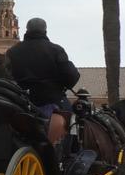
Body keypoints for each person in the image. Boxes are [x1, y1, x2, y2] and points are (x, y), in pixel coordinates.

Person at [5, 17, 80, 146]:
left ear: (27, 30)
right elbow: (72, 76)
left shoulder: (12, 52)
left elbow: (6, 77)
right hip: (52, 100)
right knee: (73, 120)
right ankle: (71, 150)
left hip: (21, 102)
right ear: (45, 30)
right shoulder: (56, 50)